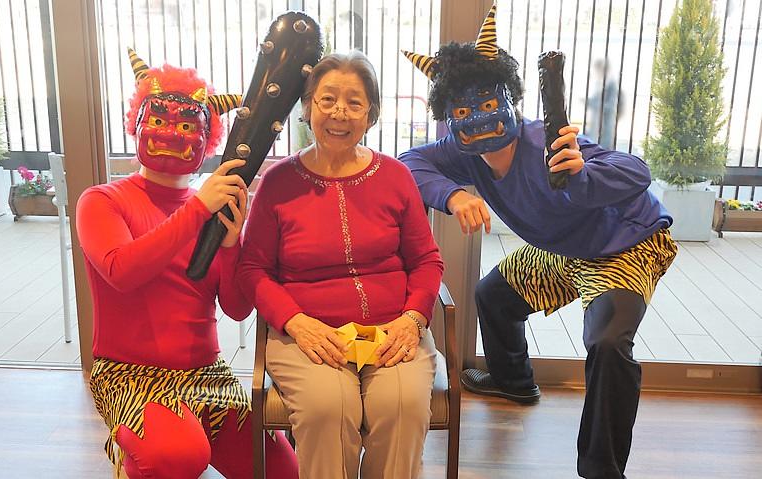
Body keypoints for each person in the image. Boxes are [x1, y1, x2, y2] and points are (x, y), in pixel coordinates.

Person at [399, 4, 677, 479]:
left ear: (509, 99)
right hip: (564, 248)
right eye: (461, 112)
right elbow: (409, 161)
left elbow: (637, 171)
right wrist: (452, 196)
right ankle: (514, 382)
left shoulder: (543, 142)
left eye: (488, 106)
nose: (477, 120)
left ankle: (601, 469)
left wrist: (582, 175)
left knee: (609, 343)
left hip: (625, 243)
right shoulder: (463, 155)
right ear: (448, 118)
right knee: (493, 294)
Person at [76, 50, 297, 479]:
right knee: (177, 456)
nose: (170, 133)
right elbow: (122, 271)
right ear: (137, 123)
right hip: (129, 374)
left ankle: (176, 441)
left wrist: (231, 245)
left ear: (207, 138)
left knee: (282, 470)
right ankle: (139, 459)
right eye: (158, 120)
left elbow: (236, 308)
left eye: (186, 125)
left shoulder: (210, 206)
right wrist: (197, 210)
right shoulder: (102, 201)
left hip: (207, 373)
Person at [238, 51, 444, 479]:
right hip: (308, 335)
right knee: (327, 408)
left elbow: (426, 260)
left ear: (371, 113)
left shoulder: (396, 176)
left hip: (392, 331)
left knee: (402, 406)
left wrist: (412, 319)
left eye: (354, 102)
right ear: (308, 106)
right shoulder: (277, 182)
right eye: (328, 99)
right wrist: (296, 322)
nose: (339, 113)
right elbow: (252, 269)